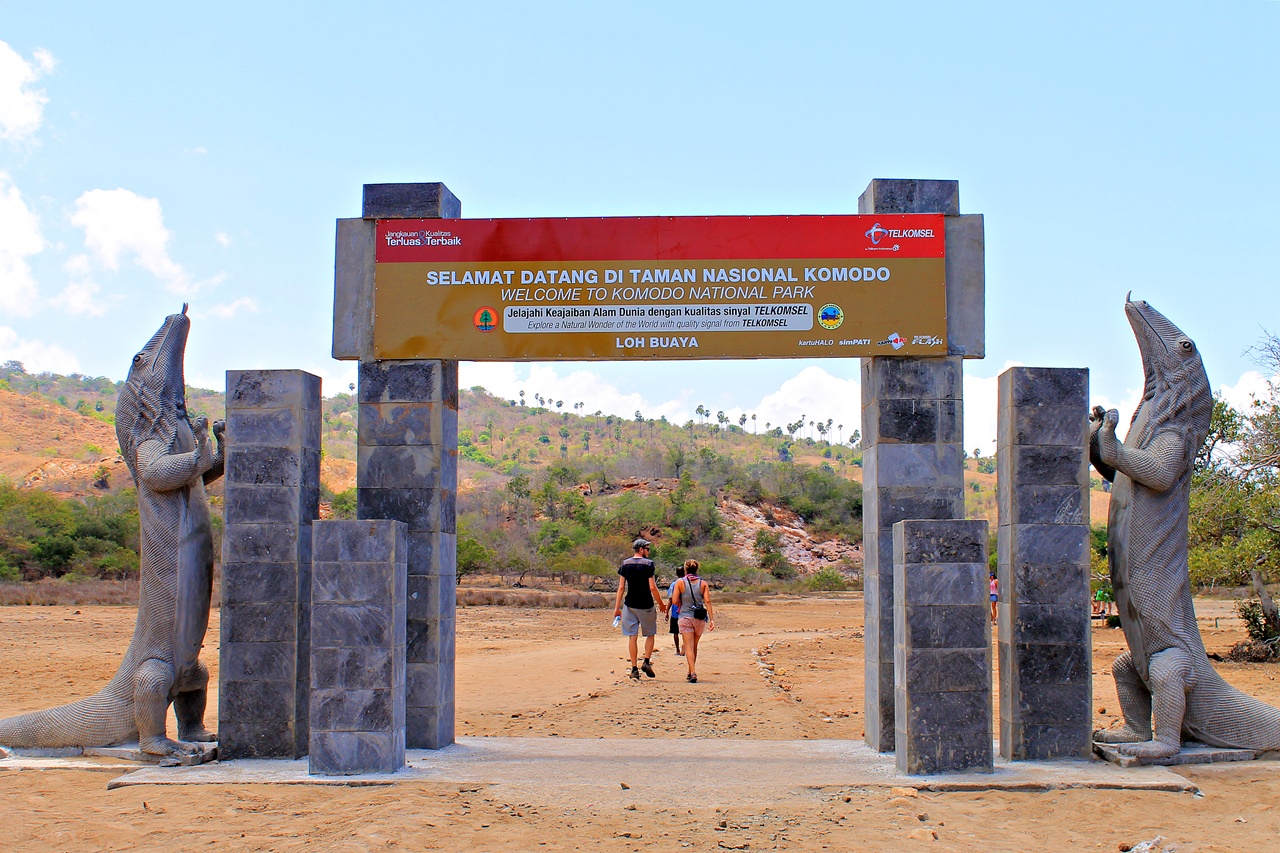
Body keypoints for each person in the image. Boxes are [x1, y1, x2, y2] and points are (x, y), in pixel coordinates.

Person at [613, 537, 667, 680]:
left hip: (630, 604)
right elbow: (652, 587)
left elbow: (621, 587)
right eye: (647, 549)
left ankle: (634, 668)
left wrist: (616, 607)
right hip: (646, 604)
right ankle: (647, 662)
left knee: (632, 636)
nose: (649, 552)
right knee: (650, 633)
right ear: (641, 550)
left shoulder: (625, 564)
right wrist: (661, 604)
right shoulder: (648, 564)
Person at [671, 559, 713, 683]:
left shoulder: (680, 582)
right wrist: (712, 619)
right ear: (697, 570)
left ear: (685, 570)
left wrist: (681, 601)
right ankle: (690, 671)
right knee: (694, 646)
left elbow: (674, 601)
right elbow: (708, 601)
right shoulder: (703, 583)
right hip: (699, 619)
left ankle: (693, 672)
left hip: (684, 617)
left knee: (688, 646)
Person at [667, 565, 686, 656]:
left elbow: (670, 599)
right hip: (685, 611)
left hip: (675, 611)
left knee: (675, 632)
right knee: (685, 631)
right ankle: (685, 645)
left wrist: (666, 611)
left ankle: (677, 649)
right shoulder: (688, 583)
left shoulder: (673, 584)